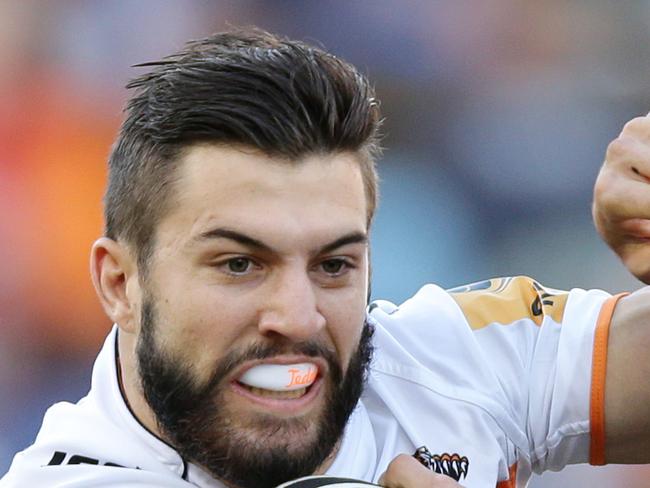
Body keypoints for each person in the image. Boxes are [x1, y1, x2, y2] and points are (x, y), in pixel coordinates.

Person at [1, 28, 649, 488]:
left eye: (333, 266)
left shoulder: (446, 365)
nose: (299, 317)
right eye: (239, 264)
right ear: (120, 284)